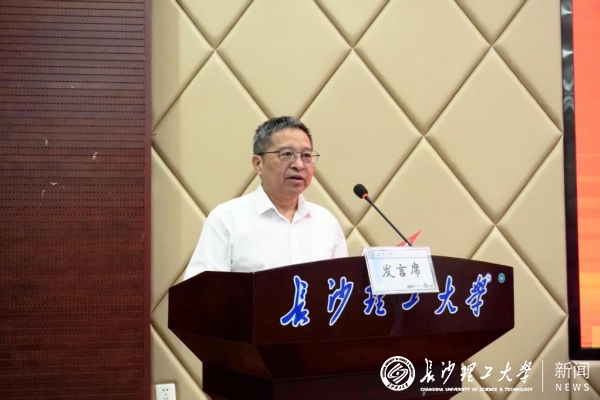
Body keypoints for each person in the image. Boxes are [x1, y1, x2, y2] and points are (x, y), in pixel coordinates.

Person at [183, 116, 348, 279]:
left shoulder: (326, 222)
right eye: (287, 154)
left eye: (306, 155)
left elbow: (344, 286)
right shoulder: (226, 220)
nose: (299, 165)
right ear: (258, 164)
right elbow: (200, 291)